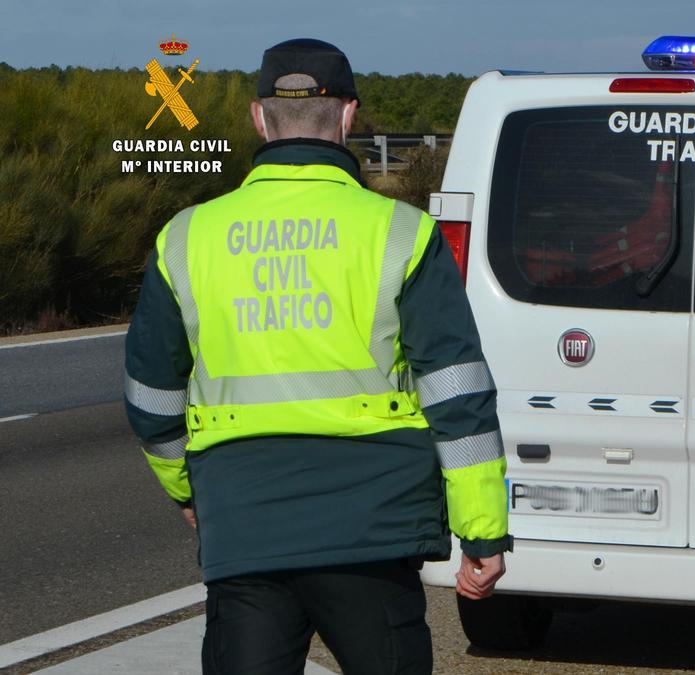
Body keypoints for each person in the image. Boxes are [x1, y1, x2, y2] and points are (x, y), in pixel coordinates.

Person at [123, 38, 511, 674]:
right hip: (373, 527)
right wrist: (483, 530)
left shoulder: (186, 238)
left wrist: (188, 491)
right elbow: (457, 392)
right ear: (349, 116)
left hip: (245, 521)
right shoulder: (402, 232)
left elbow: (150, 398)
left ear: (259, 117)